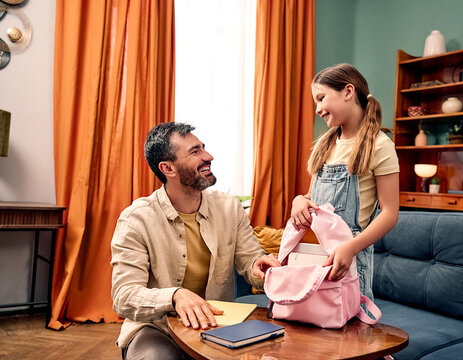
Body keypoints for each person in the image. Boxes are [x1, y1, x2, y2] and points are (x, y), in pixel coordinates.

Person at [111, 122, 280, 359]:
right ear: (168, 168)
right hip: (157, 328)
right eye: (195, 152)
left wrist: (258, 267)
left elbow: (250, 260)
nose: (208, 156)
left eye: (203, 148)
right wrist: (174, 296)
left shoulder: (229, 208)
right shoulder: (136, 219)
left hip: (217, 325)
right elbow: (124, 295)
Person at [290, 63, 399, 303]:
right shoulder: (323, 145)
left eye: (321, 98)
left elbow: (390, 213)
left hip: (351, 261)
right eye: (315, 102)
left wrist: (350, 248)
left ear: (348, 92)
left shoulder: (380, 145)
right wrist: (299, 200)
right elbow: (312, 196)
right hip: (315, 257)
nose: (317, 109)